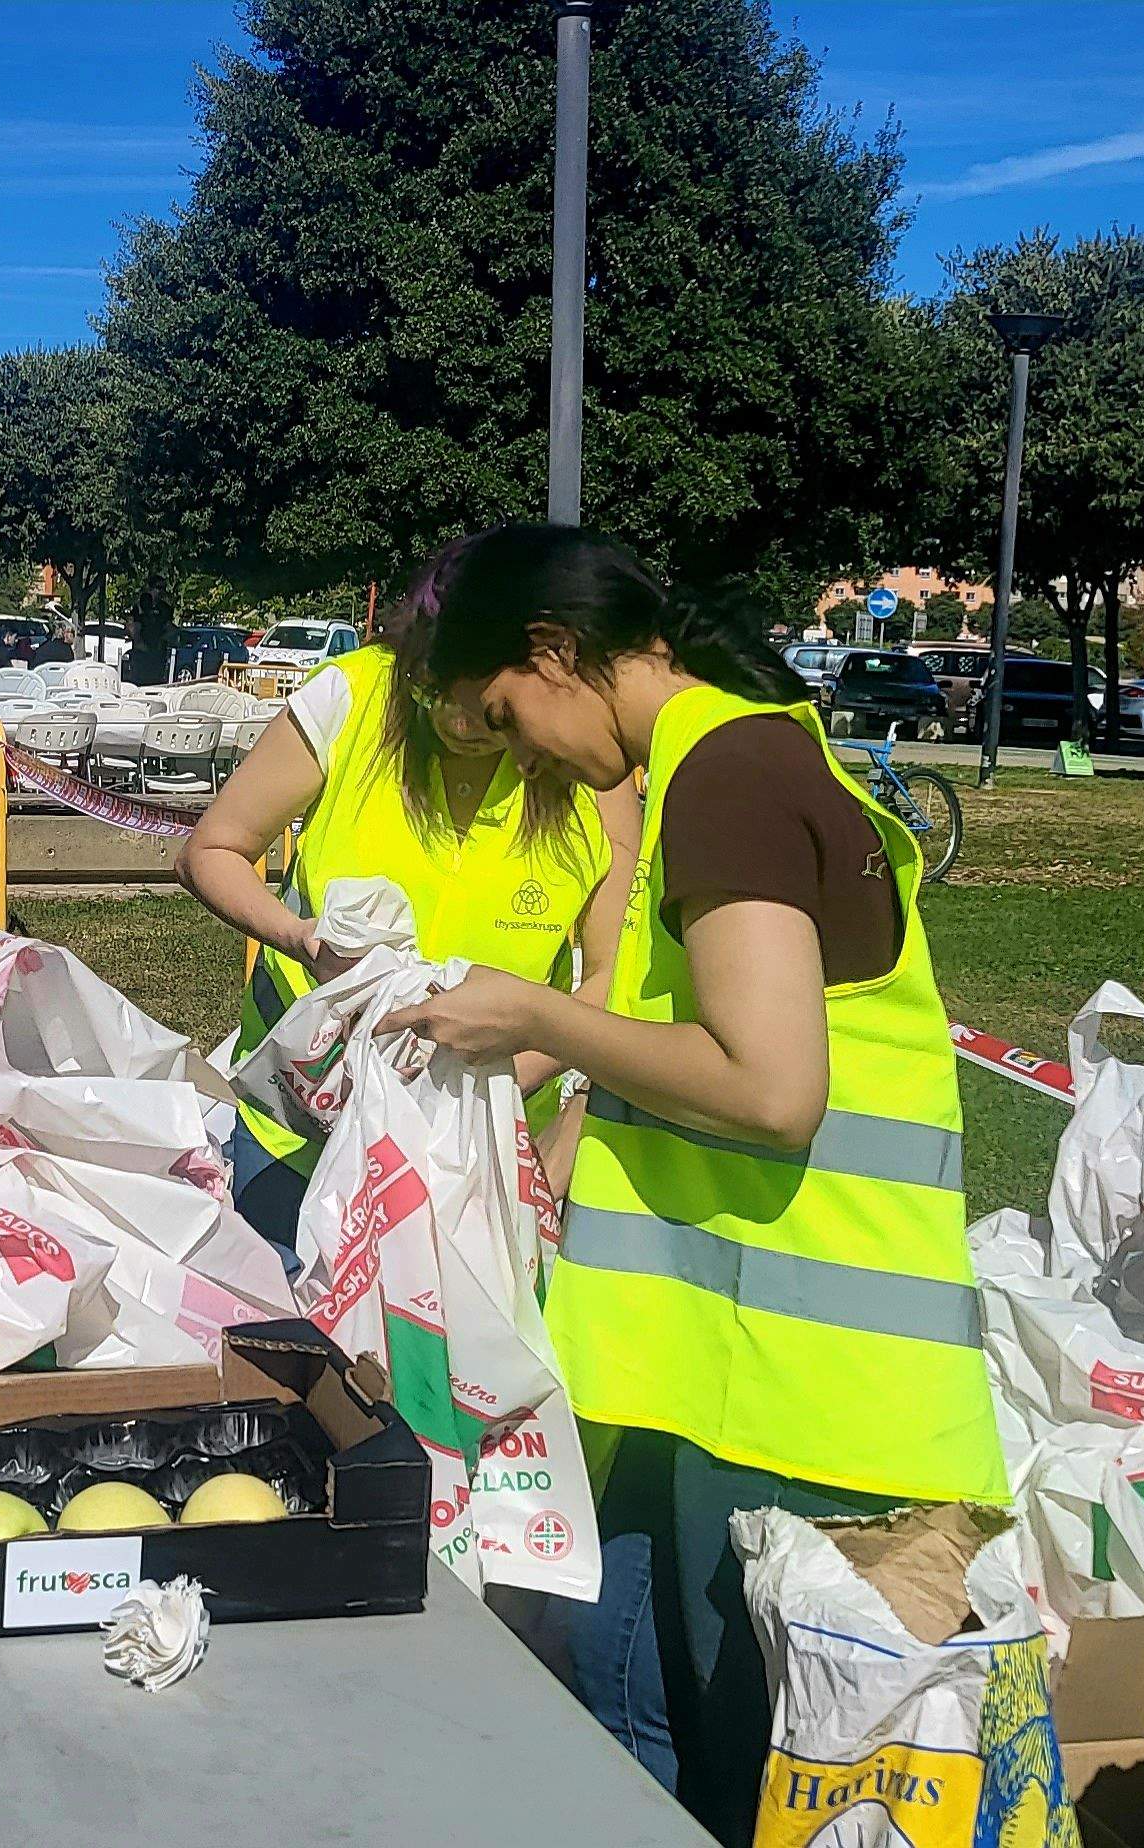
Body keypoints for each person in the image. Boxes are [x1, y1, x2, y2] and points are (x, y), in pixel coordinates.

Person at [377, 526, 1001, 1841]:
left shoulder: (731, 775)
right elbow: (682, 1046)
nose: (527, 759)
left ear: (555, 655)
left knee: (729, 1784)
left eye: (510, 719)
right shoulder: (698, 778)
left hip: (806, 1419)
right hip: (698, 1393)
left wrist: (537, 1012)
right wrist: (550, 1059)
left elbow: (771, 1088)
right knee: (638, 1758)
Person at [177, 545, 631, 1248]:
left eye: (490, 710)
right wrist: (299, 938)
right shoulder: (353, 696)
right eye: (430, 689)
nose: (456, 721)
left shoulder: (588, 767)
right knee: (284, 1341)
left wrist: (494, 1085)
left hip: (482, 1149)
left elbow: (612, 973)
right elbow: (212, 850)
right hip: (300, 1132)